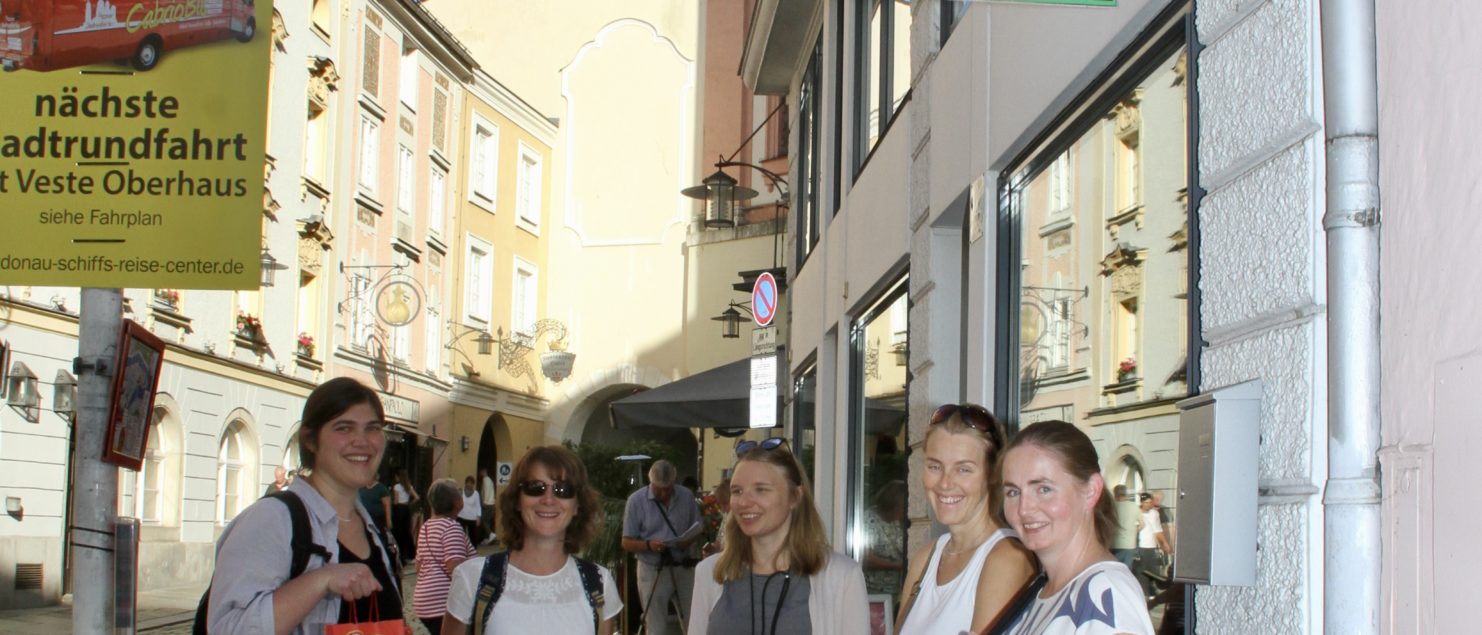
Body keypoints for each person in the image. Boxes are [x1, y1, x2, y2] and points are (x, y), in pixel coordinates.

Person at [207, 377, 403, 633]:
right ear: (310, 440)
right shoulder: (273, 519)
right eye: (344, 428)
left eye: (373, 428)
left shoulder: (376, 533)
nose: (362, 441)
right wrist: (321, 580)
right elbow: (228, 628)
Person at [688, 437, 869, 634]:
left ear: (795, 497)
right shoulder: (710, 573)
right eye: (737, 491)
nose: (744, 502)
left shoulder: (842, 577)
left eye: (761, 490)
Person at [442, 446, 623, 634]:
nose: (548, 500)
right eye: (535, 488)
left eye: (563, 489)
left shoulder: (599, 584)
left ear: (577, 505)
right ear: (517, 500)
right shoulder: (472, 579)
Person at [1001, 420, 1154, 634]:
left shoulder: (1106, 593)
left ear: (1091, 491)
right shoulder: (1043, 590)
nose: (1024, 508)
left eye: (1044, 489)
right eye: (1013, 492)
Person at [897, 403, 1036, 635]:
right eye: (935, 466)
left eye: (963, 469)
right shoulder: (926, 558)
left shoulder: (1007, 560)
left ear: (993, 473)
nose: (945, 483)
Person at [622, 459, 703, 635]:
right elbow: (626, 542)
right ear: (650, 481)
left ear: (674, 482)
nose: (664, 493)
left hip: (683, 566)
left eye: (668, 488)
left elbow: (698, 526)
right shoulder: (636, 501)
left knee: (694, 621)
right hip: (652, 568)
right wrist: (648, 545)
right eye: (658, 489)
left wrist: (687, 540)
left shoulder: (686, 496)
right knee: (656, 625)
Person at [412, 478, 475, 635]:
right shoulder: (452, 528)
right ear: (458, 503)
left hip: (424, 602)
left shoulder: (426, 527)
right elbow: (456, 568)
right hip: (443, 604)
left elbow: (418, 567)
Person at [861, 480, 907, 596]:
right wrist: (897, 565)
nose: (906, 511)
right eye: (903, 507)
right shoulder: (869, 521)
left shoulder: (895, 521)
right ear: (892, 504)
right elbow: (866, 559)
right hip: (874, 591)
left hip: (895, 589)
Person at [1135, 492, 1171, 598]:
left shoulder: (1154, 514)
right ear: (1142, 502)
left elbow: (1158, 530)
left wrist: (1164, 544)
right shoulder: (1136, 513)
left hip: (1151, 546)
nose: (1148, 505)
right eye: (1146, 502)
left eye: (1150, 502)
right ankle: (1144, 593)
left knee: (1152, 571)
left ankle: (1151, 592)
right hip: (1140, 546)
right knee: (1141, 571)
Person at [391, 468, 420, 566]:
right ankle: (411, 554)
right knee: (406, 532)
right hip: (406, 509)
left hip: (399, 509)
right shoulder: (409, 486)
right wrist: (409, 504)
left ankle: (400, 554)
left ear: (398, 477)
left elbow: (395, 501)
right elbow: (417, 497)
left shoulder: (396, 487)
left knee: (398, 532)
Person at [1110, 485, 1140, 568]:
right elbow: (1142, 524)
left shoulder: (1111, 507)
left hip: (1114, 544)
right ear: (1126, 494)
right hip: (1129, 545)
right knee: (1126, 570)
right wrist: (1133, 532)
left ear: (1115, 494)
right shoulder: (1134, 506)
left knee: (1114, 569)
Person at [458, 476, 482, 549]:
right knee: (461, 535)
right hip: (461, 516)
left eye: (471, 483)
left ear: (473, 484)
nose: (469, 485)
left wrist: (478, 517)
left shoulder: (476, 494)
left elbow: (478, 506)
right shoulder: (461, 492)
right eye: (468, 483)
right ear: (465, 483)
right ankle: (461, 549)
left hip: (472, 518)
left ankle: (474, 550)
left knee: (473, 536)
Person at [478, 467, 497, 546]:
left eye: (481, 472)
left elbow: (486, 491)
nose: (480, 473)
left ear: (483, 471)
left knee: (483, 521)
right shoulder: (489, 480)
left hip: (488, 504)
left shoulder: (485, 480)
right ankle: (487, 538)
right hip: (491, 503)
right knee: (487, 521)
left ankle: (490, 534)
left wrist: (484, 501)